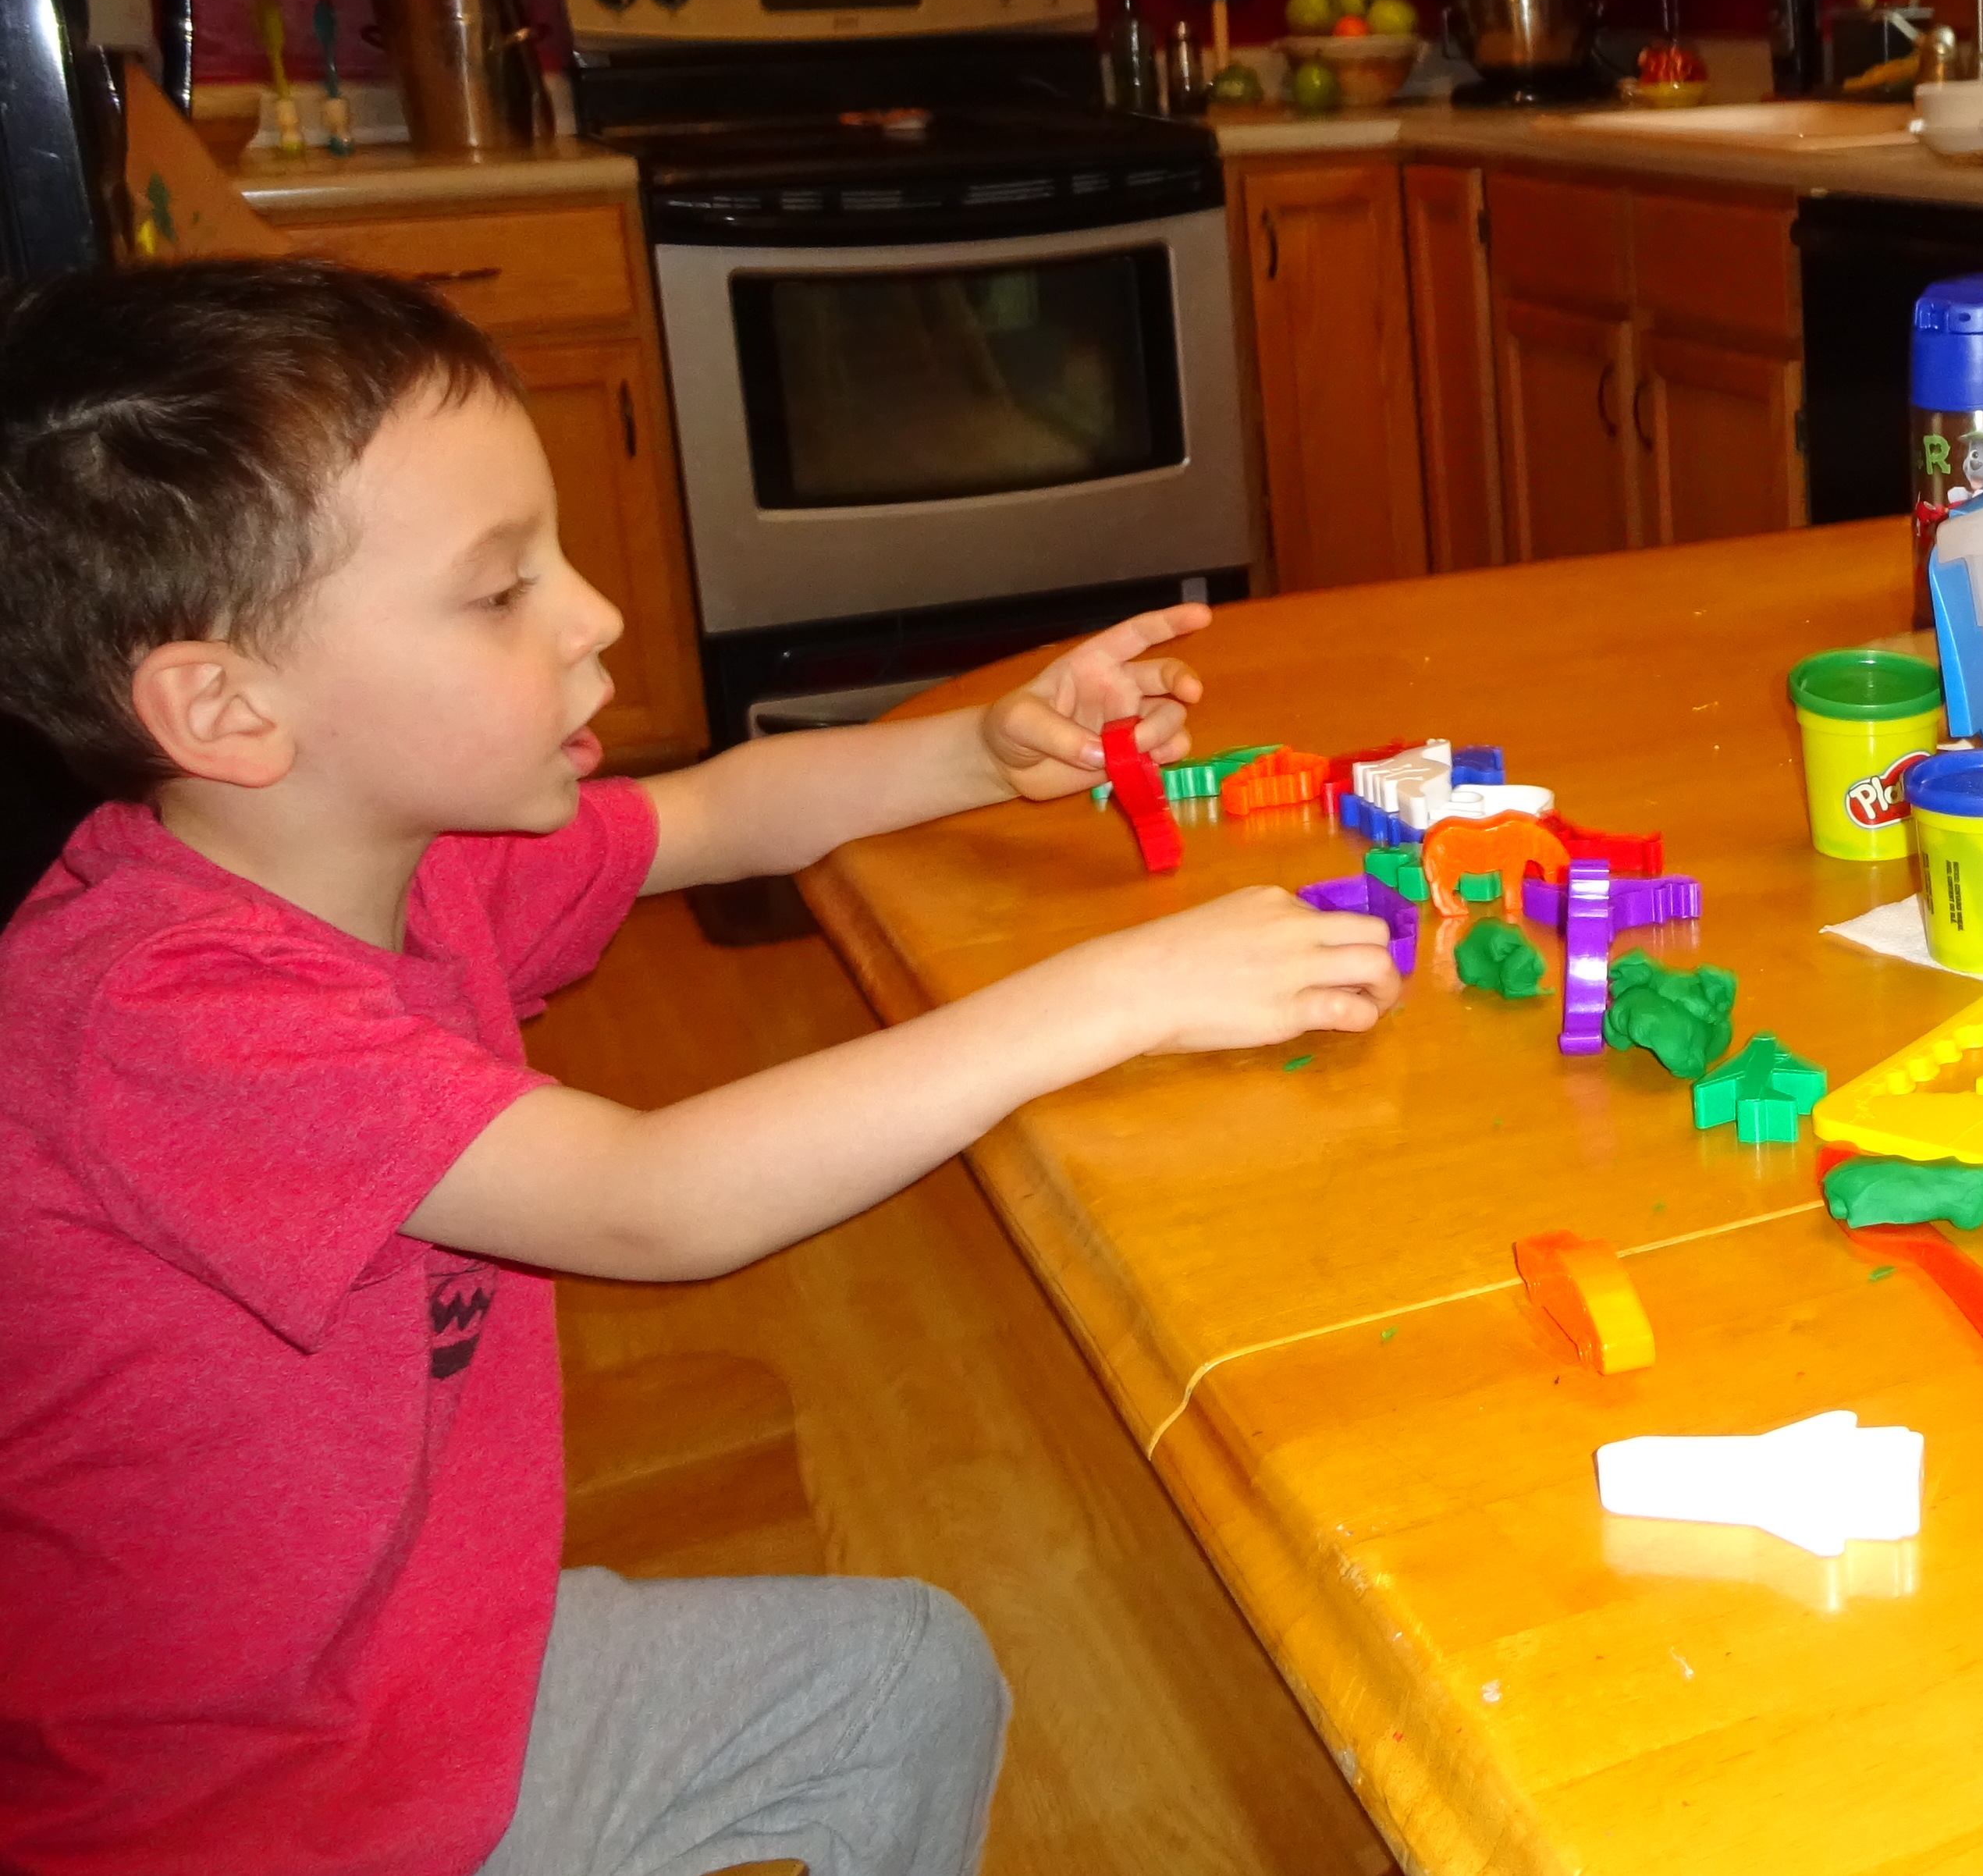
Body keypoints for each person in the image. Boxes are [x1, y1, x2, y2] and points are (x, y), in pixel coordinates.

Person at [0, 258, 1404, 1875]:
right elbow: (652, 1199)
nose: (595, 614)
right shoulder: (163, 1017)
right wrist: (1117, 992)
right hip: (234, 1827)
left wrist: (983, 748)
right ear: (226, 708)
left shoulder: (396, 858)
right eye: (500, 589)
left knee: (900, 1682)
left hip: (410, 1688)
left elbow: (718, 812)